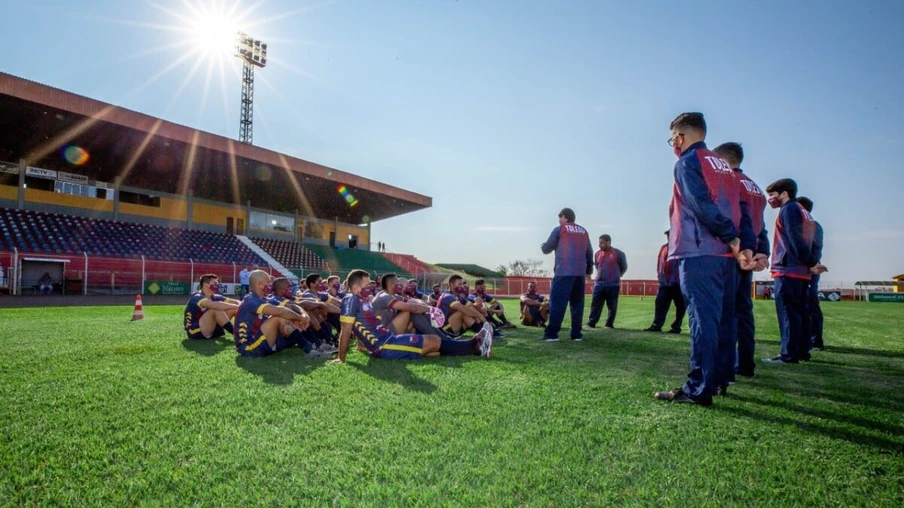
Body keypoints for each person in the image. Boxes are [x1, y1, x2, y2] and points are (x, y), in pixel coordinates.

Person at [653, 112, 755, 406]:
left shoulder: (686, 163)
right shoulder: (725, 166)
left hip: (700, 251)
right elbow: (743, 211)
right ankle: (720, 379)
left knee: (702, 321)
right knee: (724, 321)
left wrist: (731, 237)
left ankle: (699, 389)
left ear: (682, 136)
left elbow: (700, 204)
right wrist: (744, 245)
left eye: (673, 137)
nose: (673, 143)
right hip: (726, 257)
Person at [329, 269, 492, 363]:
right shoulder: (350, 300)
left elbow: (361, 325)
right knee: (432, 342)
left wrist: (360, 345)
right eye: (367, 284)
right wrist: (341, 358)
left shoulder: (360, 299)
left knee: (432, 349)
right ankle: (476, 344)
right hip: (383, 345)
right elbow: (346, 329)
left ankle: (474, 347)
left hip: (387, 338)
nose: (371, 287)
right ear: (356, 287)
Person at [713, 142, 770, 378]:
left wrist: (740, 249)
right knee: (744, 312)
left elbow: (737, 220)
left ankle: (725, 369)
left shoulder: (730, 181)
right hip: (750, 254)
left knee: (726, 314)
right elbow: (760, 225)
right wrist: (761, 251)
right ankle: (746, 363)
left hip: (733, 255)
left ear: (723, 160)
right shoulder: (755, 187)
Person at [762, 180, 827, 364]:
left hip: (788, 269)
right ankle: (802, 351)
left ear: (784, 194)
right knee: (801, 313)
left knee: (788, 313)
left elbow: (794, 238)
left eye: (773, 195)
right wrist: (811, 262)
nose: (771, 199)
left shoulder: (790, 209)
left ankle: (788, 354)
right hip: (800, 271)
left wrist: (811, 262)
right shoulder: (805, 213)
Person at [540, 207, 593, 342]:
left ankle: (552, 334)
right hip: (579, 273)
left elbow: (547, 248)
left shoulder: (560, 229)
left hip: (563, 271)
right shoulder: (584, 231)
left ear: (564, 217)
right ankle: (576, 334)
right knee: (577, 304)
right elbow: (589, 252)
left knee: (557, 303)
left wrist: (543, 246)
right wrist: (588, 271)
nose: (559, 220)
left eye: (560, 217)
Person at [234, 270, 311, 357]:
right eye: (268, 283)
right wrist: (300, 318)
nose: (271, 285)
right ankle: (310, 349)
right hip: (248, 348)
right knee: (278, 318)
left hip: (260, 339)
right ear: (259, 285)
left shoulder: (265, 298)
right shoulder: (251, 300)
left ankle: (314, 344)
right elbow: (280, 311)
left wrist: (304, 315)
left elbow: (291, 306)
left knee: (291, 318)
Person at [797, 197, 825, 351]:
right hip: (806, 269)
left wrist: (810, 265)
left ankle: (815, 340)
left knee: (810, 304)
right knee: (806, 305)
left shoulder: (812, 226)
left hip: (809, 271)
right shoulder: (811, 225)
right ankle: (808, 339)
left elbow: (813, 250)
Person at [643, 230, 686, 333]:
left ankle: (676, 327)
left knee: (680, 306)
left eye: (670, 235)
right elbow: (660, 263)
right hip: (664, 283)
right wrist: (659, 275)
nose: (668, 237)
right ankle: (656, 325)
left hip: (677, 283)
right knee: (660, 304)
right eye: (667, 235)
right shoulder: (663, 248)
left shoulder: (681, 248)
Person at [586, 234, 628, 329]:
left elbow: (624, 267)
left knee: (612, 305)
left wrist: (617, 275)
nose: (600, 244)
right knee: (595, 304)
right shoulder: (597, 254)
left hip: (613, 285)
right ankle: (591, 323)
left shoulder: (618, 253)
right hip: (599, 284)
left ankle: (609, 324)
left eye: (602, 243)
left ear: (609, 242)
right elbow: (597, 266)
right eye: (599, 242)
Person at [183, 274, 240, 340]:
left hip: (209, 328)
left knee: (233, 309)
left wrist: (241, 306)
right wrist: (238, 306)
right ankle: (236, 334)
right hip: (195, 332)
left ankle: (247, 330)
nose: (217, 285)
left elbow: (236, 302)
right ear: (205, 284)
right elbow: (216, 305)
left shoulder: (215, 297)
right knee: (215, 309)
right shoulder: (197, 297)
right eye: (215, 283)